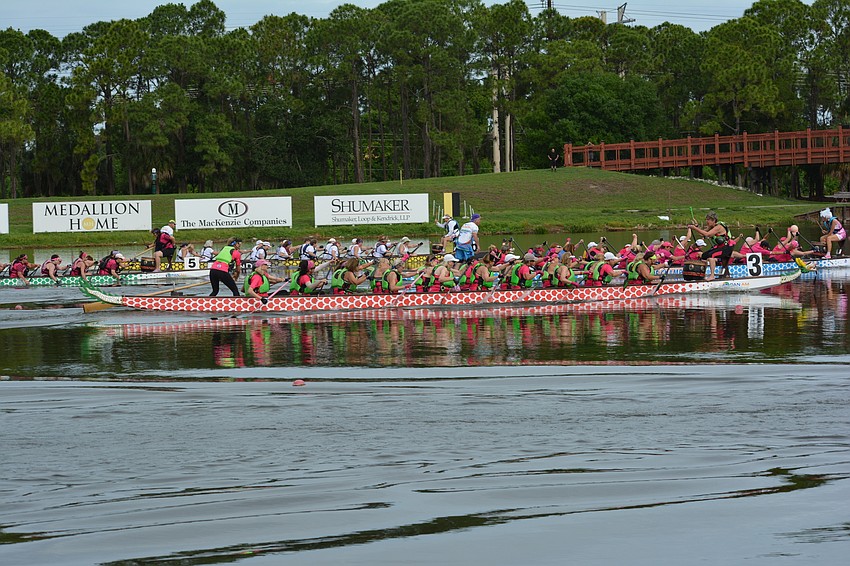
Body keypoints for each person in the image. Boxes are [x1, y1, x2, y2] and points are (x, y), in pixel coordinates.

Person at [688, 211, 733, 281]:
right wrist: (696, 226)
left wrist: (694, 228)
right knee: (704, 256)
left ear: (714, 220)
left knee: (710, 256)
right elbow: (702, 234)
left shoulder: (718, 227)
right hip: (721, 247)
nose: (707, 221)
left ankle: (712, 276)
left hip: (726, 248)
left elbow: (707, 234)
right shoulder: (712, 226)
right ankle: (725, 276)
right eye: (706, 219)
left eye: (708, 219)